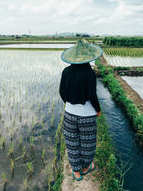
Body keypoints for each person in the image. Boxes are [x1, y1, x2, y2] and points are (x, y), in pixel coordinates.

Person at [59, 39, 103, 181]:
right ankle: (85, 167)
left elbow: (62, 92)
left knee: (72, 143)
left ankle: (76, 172)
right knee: (87, 144)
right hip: (87, 116)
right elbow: (92, 96)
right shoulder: (90, 74)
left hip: (70, 114)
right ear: (88, 58)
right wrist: (98, 109)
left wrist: (70, 104)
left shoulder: (66, 71)